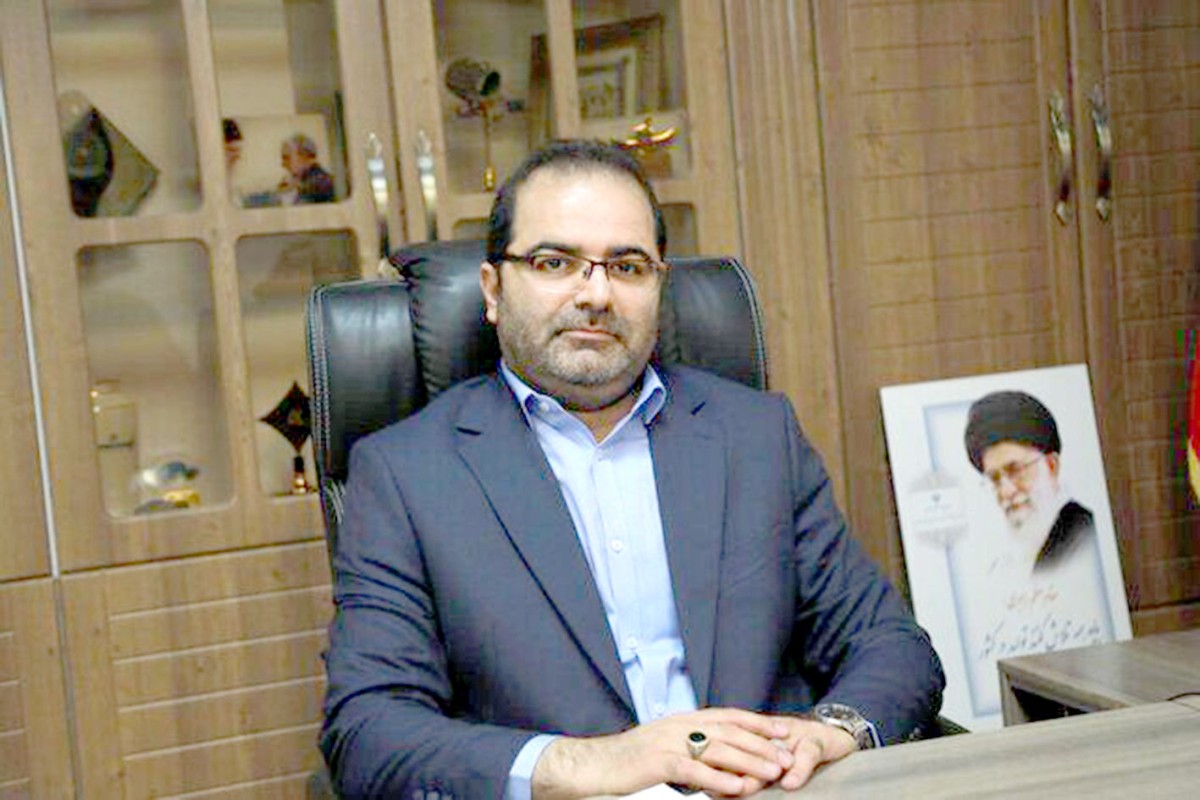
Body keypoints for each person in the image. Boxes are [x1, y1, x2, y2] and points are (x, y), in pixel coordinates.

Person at [320, 140, 944, 799]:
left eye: (627, 266)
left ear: (659, 288)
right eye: (554, 262)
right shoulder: (407, 474)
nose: (596, 293)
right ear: (493, 290)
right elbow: (368, 732)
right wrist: (596, 764)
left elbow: (891, 644)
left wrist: (827, 732)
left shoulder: (756, 436)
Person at [964, 390, 1096, 575]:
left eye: (1016, 470)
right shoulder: (1004, 564)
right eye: (995, 479)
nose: (1006, 491)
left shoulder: (1086, 538)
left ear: (1051, 466)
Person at [279, 133, 334, 204]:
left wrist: (288, 193)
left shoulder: (319, 185)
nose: (283, 164)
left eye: (287, 158)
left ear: (305, 157)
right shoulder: (305, 182)